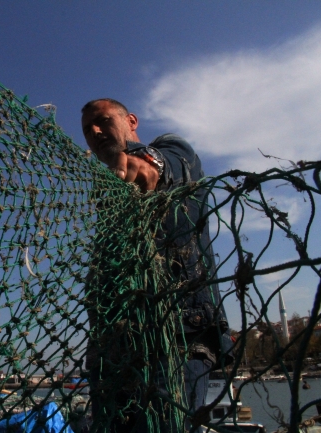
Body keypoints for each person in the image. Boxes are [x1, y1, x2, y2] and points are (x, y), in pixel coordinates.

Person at [81, 98, 231, 433]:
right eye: (87, 129)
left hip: (176, 337)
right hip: (113, 351)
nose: (94, 131)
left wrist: (148, 164)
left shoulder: (171, 149)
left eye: (103, 120)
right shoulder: (106, 190)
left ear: (131, 120)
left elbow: (170, 162)